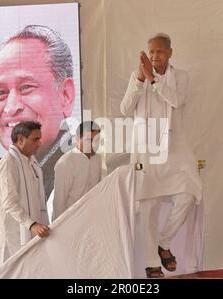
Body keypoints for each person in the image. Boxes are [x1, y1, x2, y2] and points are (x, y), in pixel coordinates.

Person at [120, 33, 202, 278]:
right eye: (151, 52)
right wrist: (139, 79)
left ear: (170, 53)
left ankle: (164, 242)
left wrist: (154, 80)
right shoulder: (136, 77)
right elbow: (125, 109)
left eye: (160, 52)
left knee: (190, 193)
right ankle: (151, 261)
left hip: (173, 146)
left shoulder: (181, 77)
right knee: (149, 206)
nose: (155, 56)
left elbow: (177, 101)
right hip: (145, 149)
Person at [0, 25, 76, 199]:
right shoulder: (14, 168)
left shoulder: (71, 168)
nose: (11, 107)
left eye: (26, 87)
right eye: (0, 93)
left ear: (66, 95)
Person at [0, 121, 51, 273]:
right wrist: (32, 224)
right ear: (21, 139)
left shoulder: (31, 163)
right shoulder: (9, 163)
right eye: (35, 139)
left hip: (28, 237)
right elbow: (9, 203)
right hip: (9, 240)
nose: (39, 144)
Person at [51, 121, 102, 221]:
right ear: (78, 139)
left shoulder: (97, 159)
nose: (94, 144)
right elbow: (59, 202)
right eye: (89, 140)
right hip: (71, 221)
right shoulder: (66, 162)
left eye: (97, 140)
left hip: (92, 219)